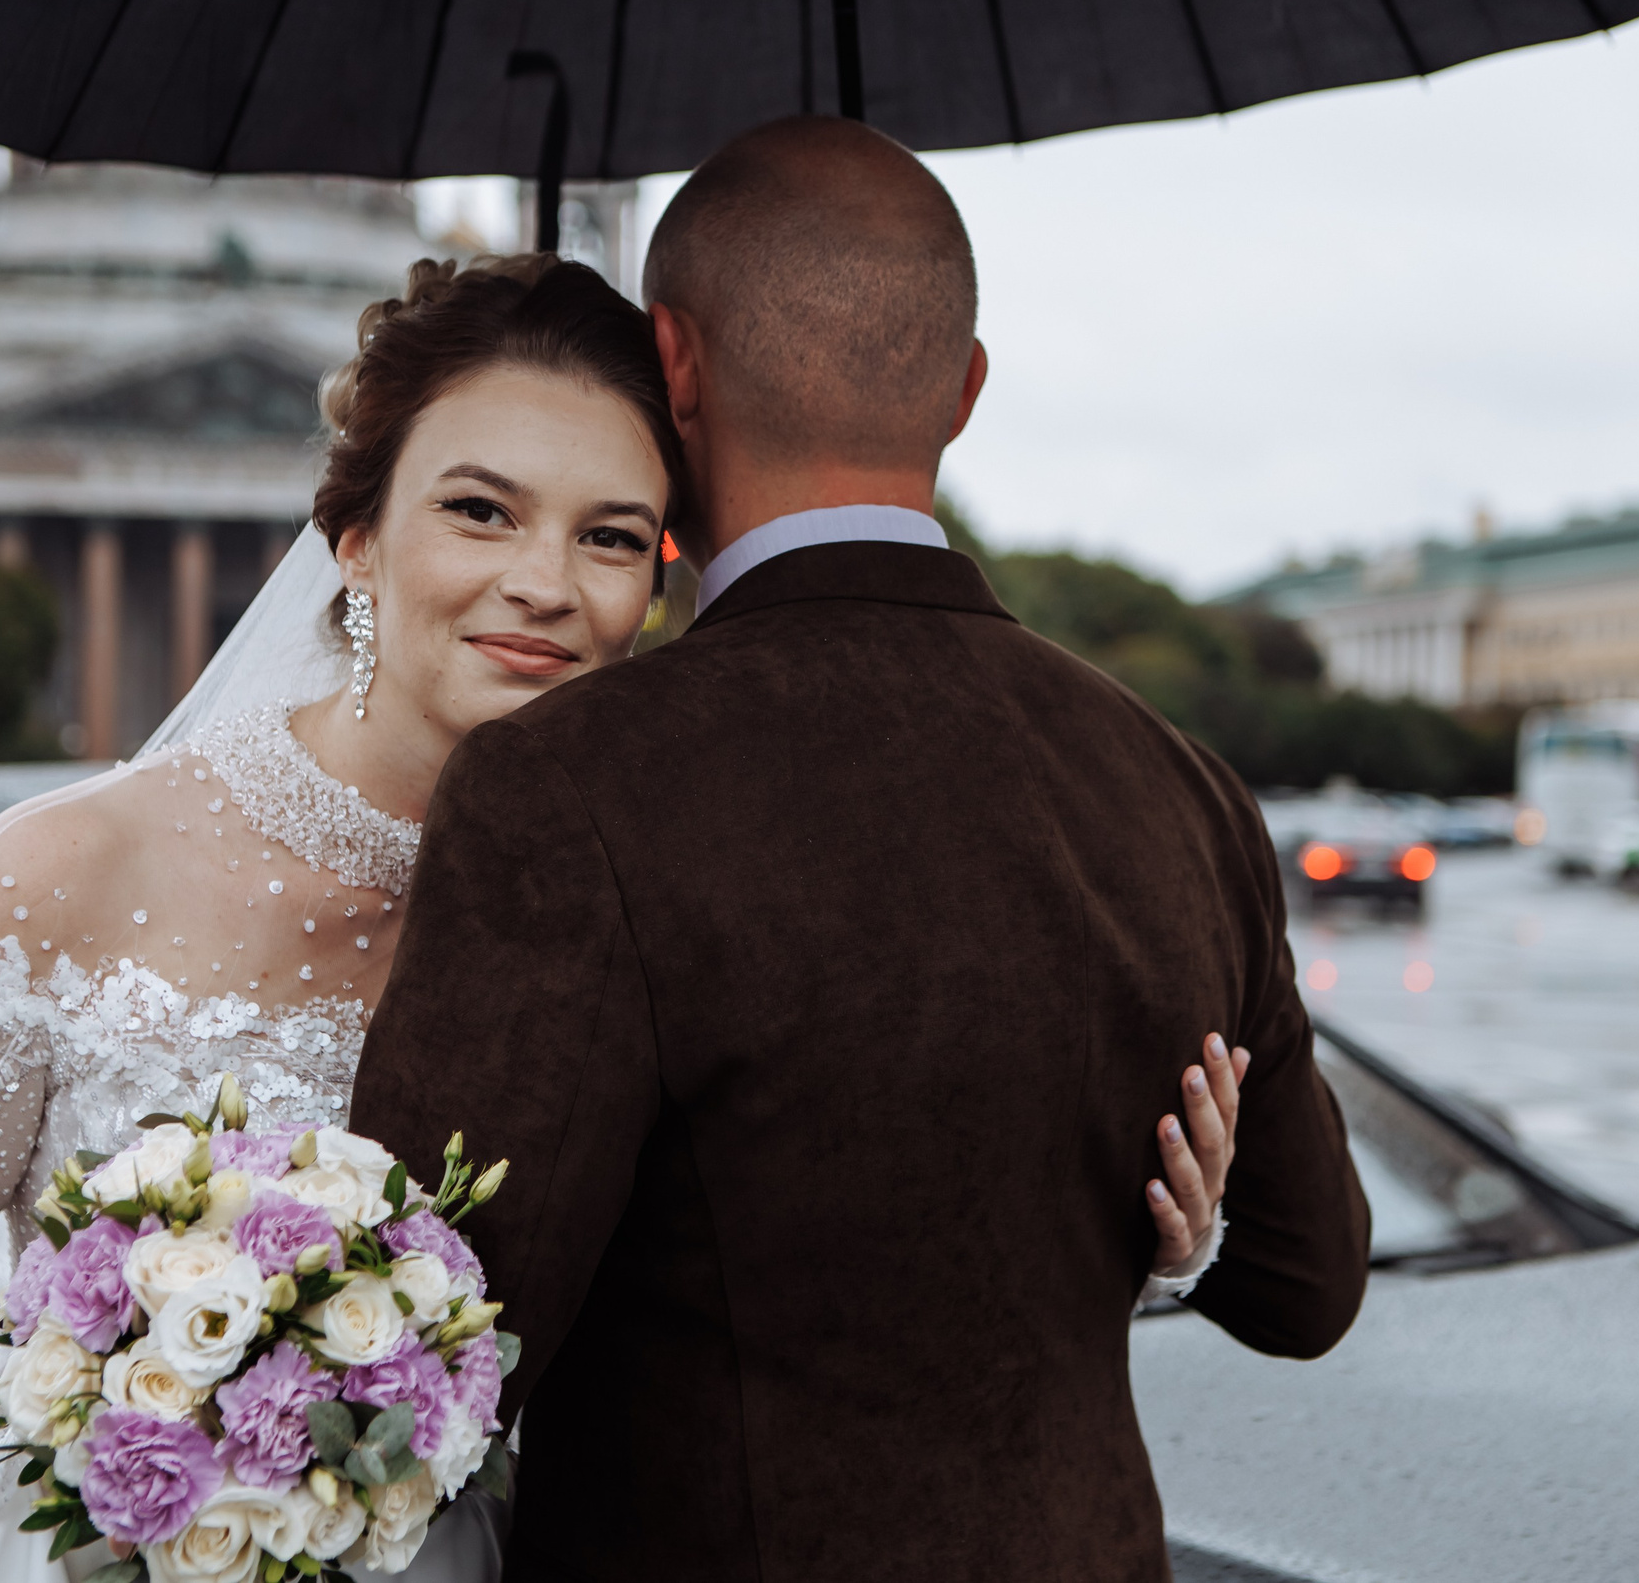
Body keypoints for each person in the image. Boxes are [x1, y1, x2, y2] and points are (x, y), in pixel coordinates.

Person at [0, 242, 1243, 1583]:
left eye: (612, 538)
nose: (544, 586)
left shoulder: (664, 903)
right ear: (355, 540)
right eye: (480, 510)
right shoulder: (67, 868)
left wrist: (1153, 1222)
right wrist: (148, 1437)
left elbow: (818, 1276)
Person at [349, 117, 1372, 1583]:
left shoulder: (572, 781)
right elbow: (1309, 1282)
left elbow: (442, 1331)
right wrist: (1165, 1237)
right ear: (962, 392)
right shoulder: (1184, 784)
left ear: (674, 366)